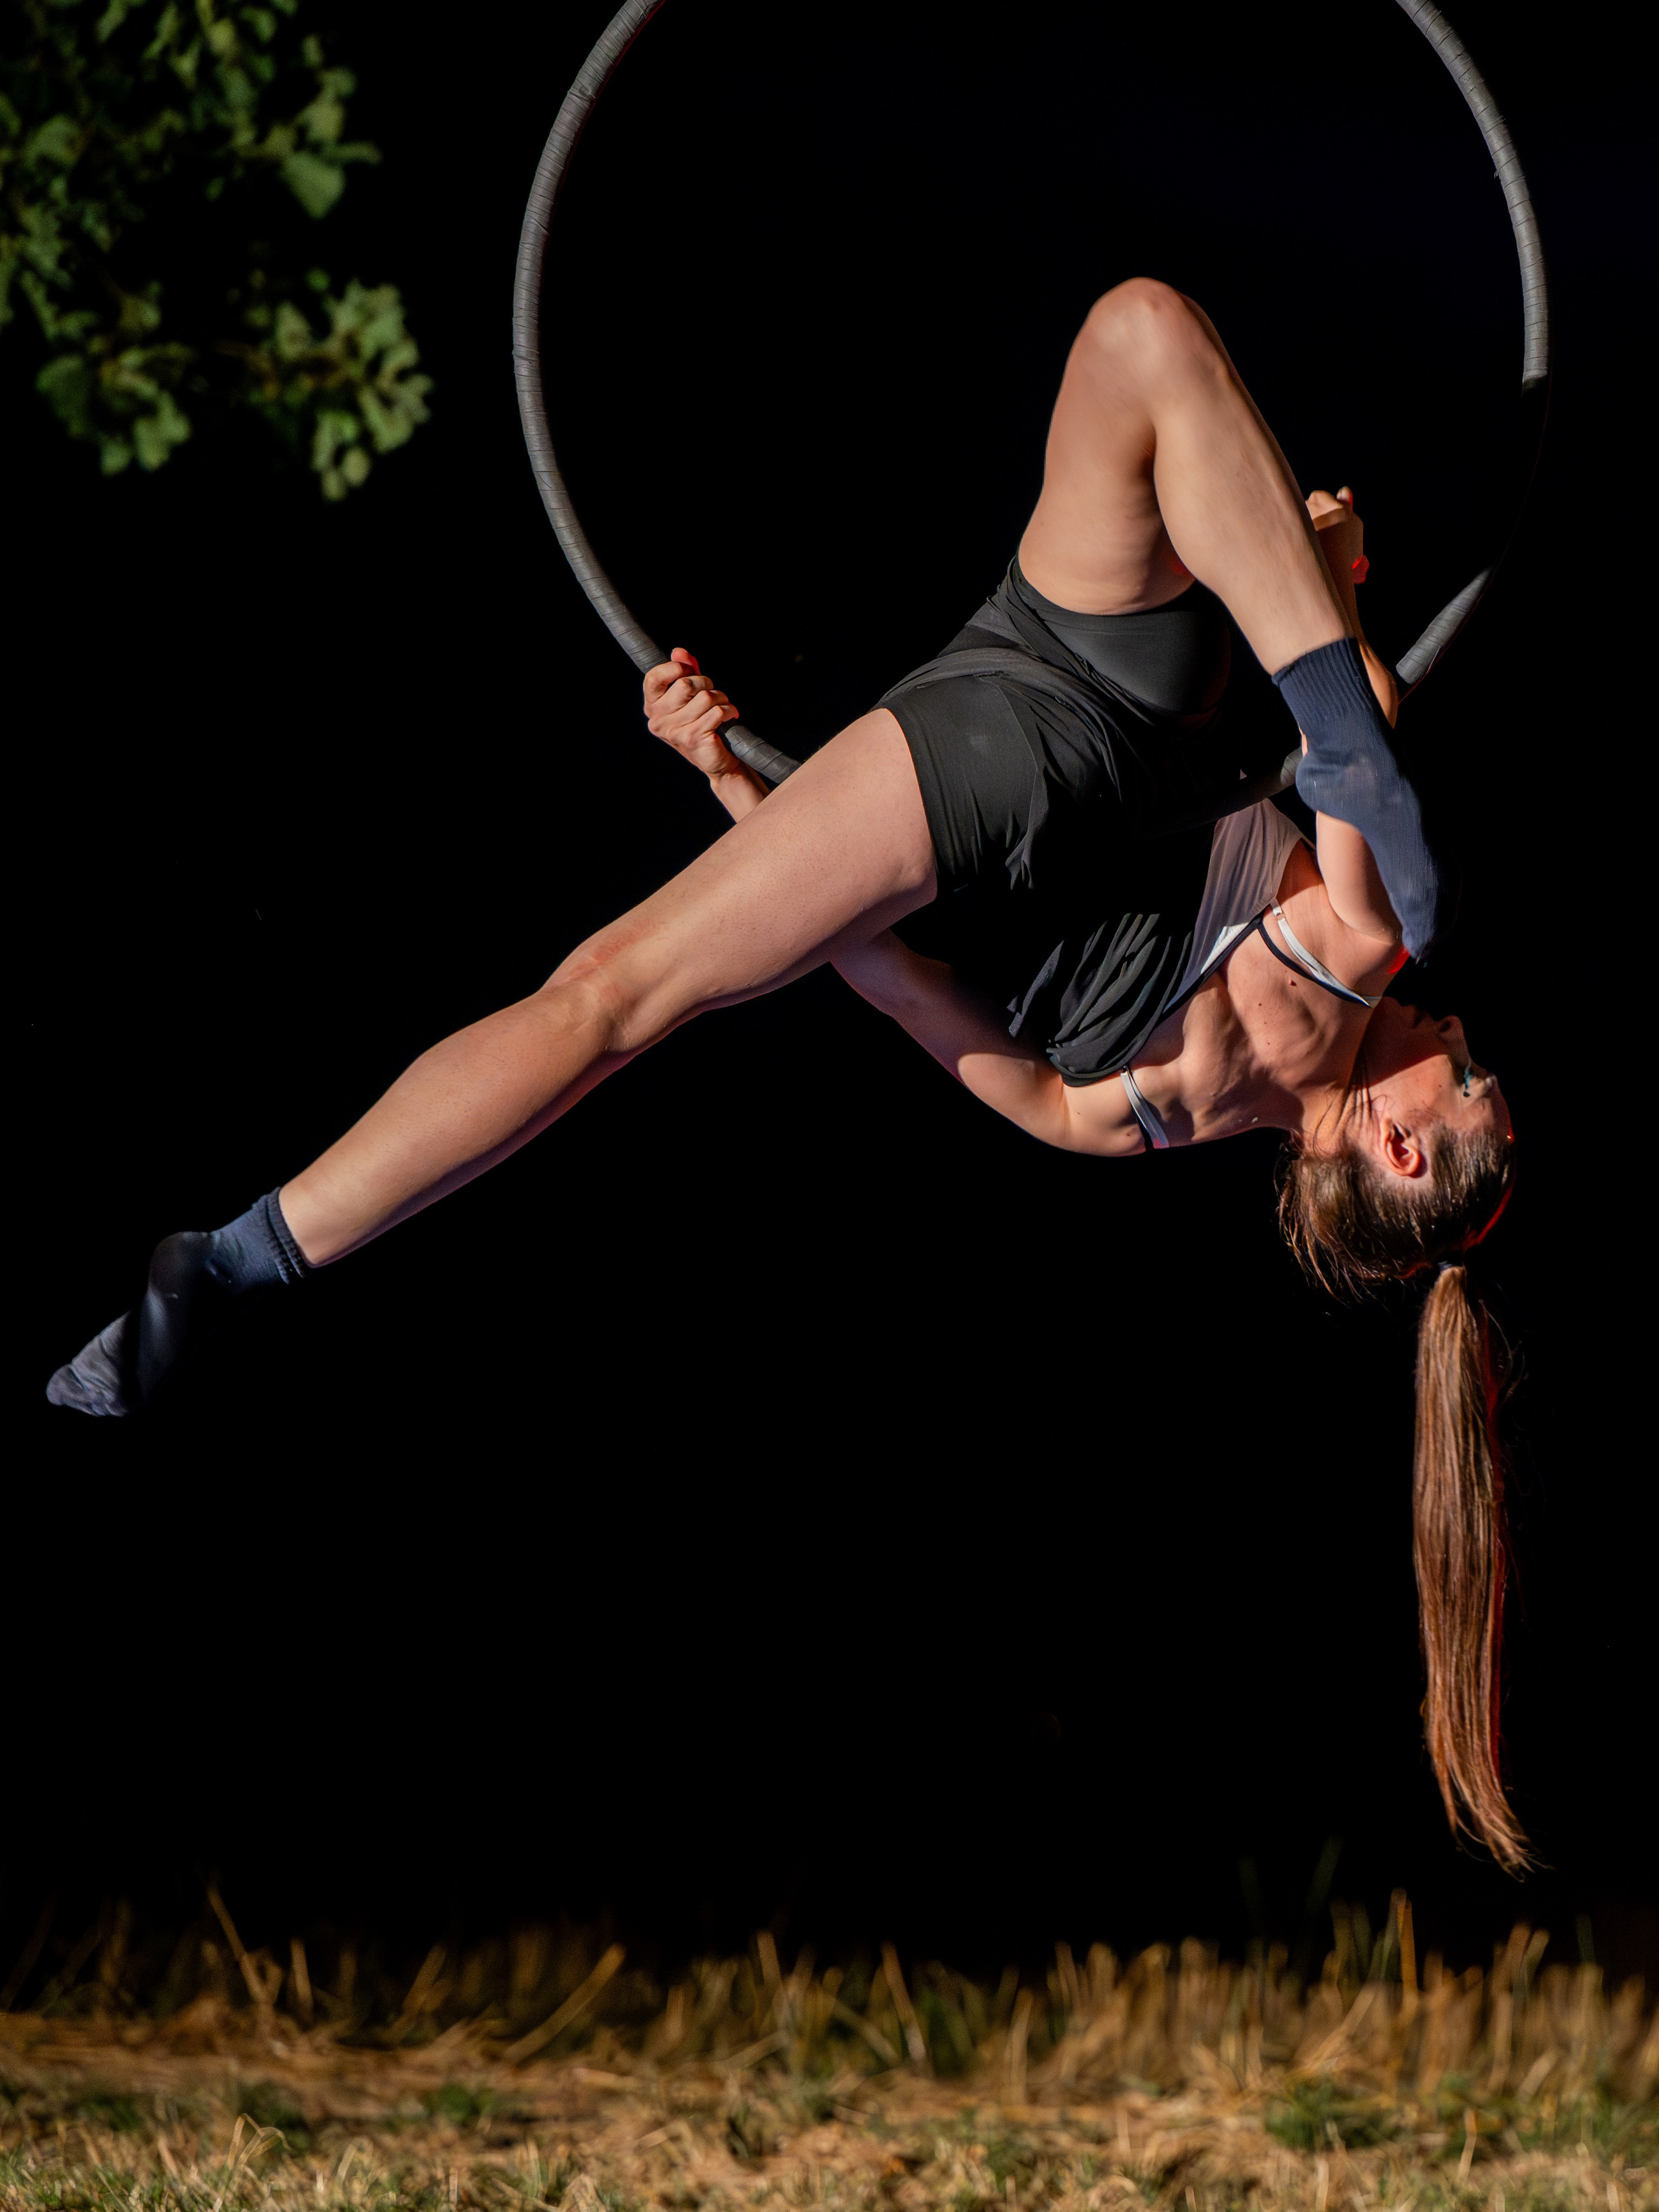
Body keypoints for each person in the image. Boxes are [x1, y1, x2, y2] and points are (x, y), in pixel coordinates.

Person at [47, 279, 1521, 1867]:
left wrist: (1338, 593)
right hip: (1000, 778)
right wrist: (733, 780)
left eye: (1463, 1081)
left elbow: (1357, 731)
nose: (1456, 1041)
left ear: (1395, 1153)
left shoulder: (1357, 951)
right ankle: (237, 1260)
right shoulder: (1113, 1124)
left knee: (1144, 336)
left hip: (1079, 708)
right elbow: (876, 969)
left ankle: (1290, 639)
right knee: (613, 1000)